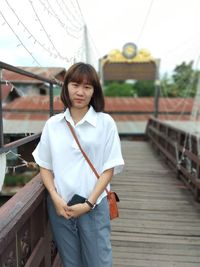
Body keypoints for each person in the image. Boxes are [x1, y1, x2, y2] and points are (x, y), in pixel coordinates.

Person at [32, 62, 124, 267]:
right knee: (71, 263)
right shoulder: (53, 124)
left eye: (87, 87)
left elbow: (109, 168)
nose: (80, 92)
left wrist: (88, 204)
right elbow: (45, 165)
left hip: (93, 205)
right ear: (66, 87)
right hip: (61, 207)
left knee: (99, 262)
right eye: (75, 85)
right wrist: (55, 198)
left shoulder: (105, 122)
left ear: (94, 92)